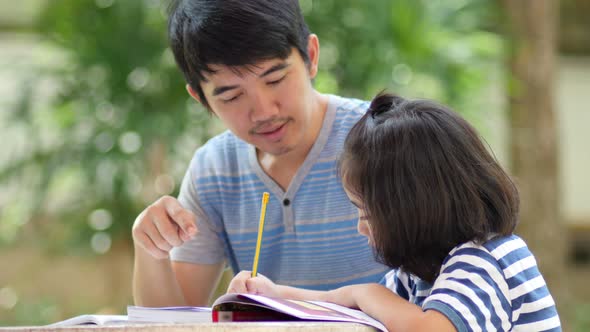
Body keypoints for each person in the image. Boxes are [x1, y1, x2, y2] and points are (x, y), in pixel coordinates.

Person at [227, 93, 562, 331]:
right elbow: (339, 301)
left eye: (367, 214)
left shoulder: (483, 260)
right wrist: (272, 295)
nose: (361, 227)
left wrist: (369, 292)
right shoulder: (418, 273)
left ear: (416, 209)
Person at [131, 0, 389, 307]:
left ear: (311, 56)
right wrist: (150, 248)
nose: (264, 111)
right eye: (232, 95)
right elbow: (171, 319)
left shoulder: (384, 142)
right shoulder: (214, 169)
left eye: (275, 79)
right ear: (200, 98)